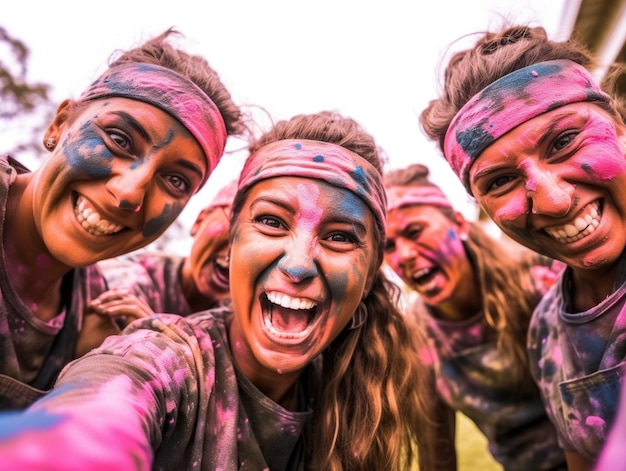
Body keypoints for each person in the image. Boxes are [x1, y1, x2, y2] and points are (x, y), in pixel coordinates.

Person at [0, 110, 430, 470]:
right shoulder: (167, 361)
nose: (298, 264)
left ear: (372, 269)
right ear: (232, 240)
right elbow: (104, 404)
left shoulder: (360, 389)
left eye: (340, 237)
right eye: (271, 222)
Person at [0, 28, 245, 410]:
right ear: (60, 124)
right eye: (119, 139)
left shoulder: (98, 313)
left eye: (176, 180)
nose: (130, 192)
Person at [420, 23, 626, 470]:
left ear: (620, 127)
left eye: (565, 141)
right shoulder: (546, 333)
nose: (554, 199)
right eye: (500, 181)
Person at [383, 163, 566, 470]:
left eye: (415, 232)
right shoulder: (417, 337)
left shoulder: (539, 276)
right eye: (389, 246)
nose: (404, 256)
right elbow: (436, 453)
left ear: (459, 224)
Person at [90, 178, 237, 328]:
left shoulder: (241, 322)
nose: (236, 253)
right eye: (234, 225)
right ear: (199, 221)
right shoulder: (125, 284)